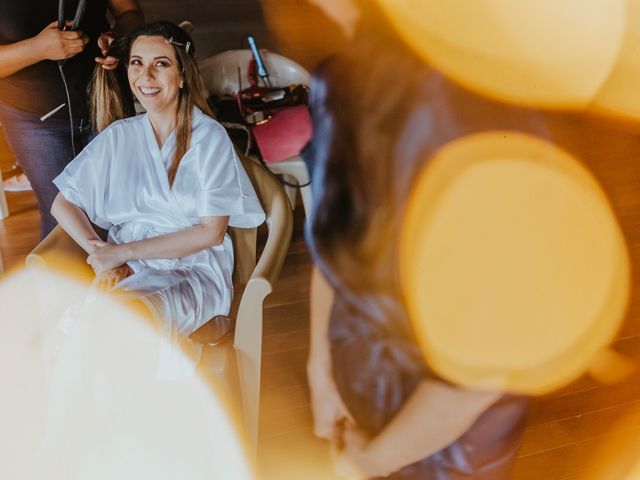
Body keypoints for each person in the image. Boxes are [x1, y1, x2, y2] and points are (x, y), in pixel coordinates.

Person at [304, 2, 537, 478]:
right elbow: (334, 246)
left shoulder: (460, 104)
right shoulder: (340, 80)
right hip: (363, 386)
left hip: (447, 439)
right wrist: (320, 368)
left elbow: (487, 363)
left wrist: (372, 460)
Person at [50, 21, 265, 342]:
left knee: (115, 327)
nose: (145, 76)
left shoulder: (208, 138)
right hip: (131, 270)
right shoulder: (119, 136)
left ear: (182, 76)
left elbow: (211, 231)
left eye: (160, 64)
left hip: (192, 273)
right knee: (89, 332)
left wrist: (122, 253)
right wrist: (103, 254)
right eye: (136, 63)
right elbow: (62, 204)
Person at [0, 0, 143, 238]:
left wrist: (121, 41)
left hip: (106, 102)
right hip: (34, 119)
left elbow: (130, 12)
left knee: (119, 213)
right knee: (63, 224)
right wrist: (37, 49)